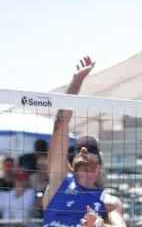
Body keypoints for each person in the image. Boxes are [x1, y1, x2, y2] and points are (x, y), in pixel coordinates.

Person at [42, 56, 126, 227]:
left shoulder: (109, 201)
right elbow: (60, 125)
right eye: (79, 149)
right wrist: (77, 81)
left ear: (100, 168)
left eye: (90, 149)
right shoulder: (59, 182)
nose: (83, 151)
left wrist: (99, 225)